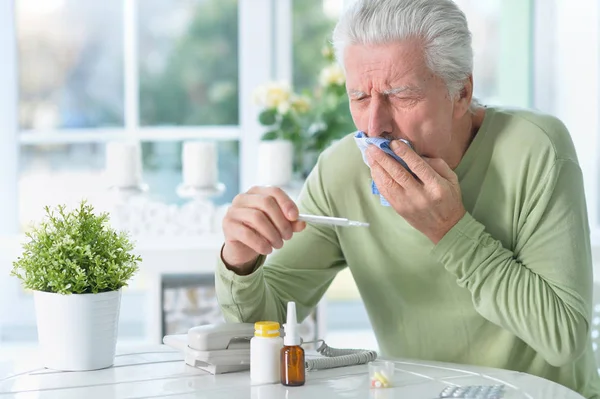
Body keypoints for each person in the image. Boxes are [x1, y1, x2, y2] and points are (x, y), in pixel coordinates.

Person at [214, 0, 600, 397]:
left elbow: (562, 338)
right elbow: (261, 332)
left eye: (401, 96)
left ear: (461, 92)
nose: (375, 125)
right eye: (360, 98)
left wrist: (450, 231)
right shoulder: (342, 170)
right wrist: (240, 261)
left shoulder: (537, 149)